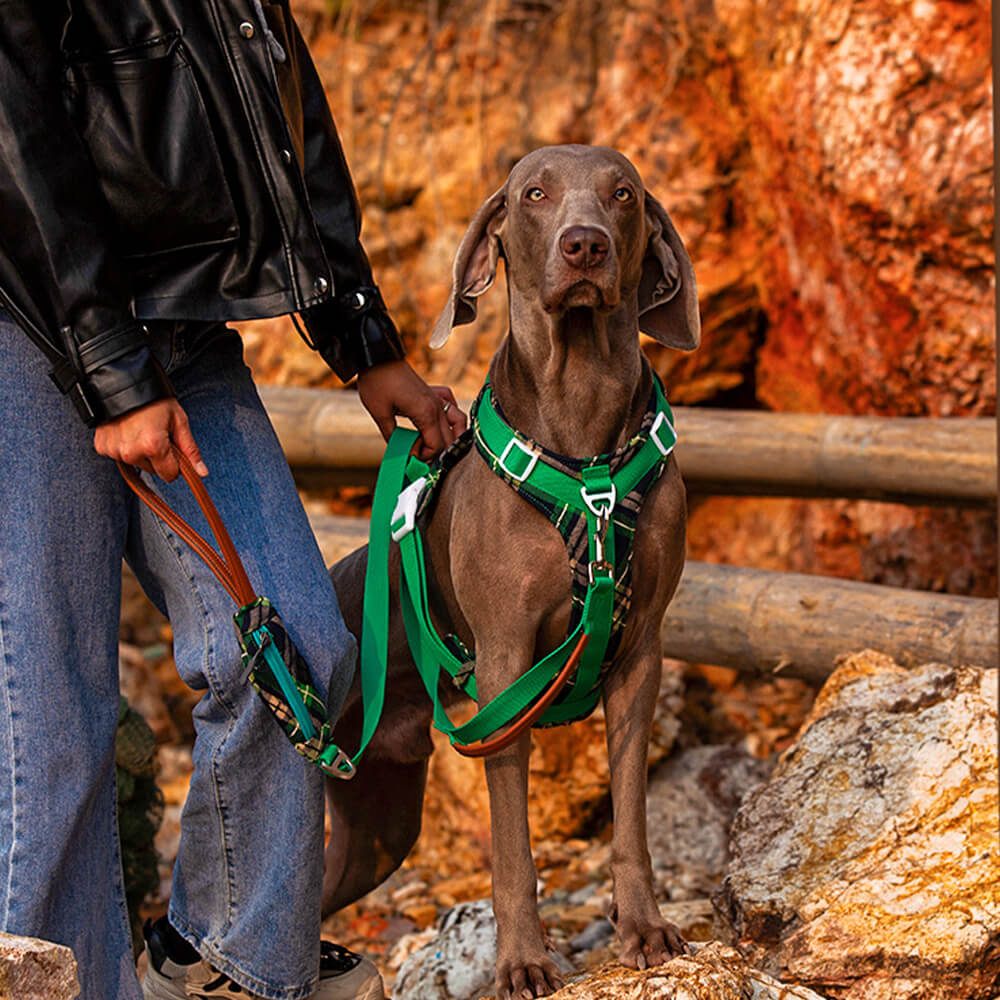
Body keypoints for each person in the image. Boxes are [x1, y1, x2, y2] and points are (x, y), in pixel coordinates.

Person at [0, 3, 464, 999]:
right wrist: (113, 374)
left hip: (181, 322)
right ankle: (55, 985)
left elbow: (281, 110)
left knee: (291, 643)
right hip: (25, 322)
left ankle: (223, 960)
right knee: (49, 717)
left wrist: (363, 342)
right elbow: (13, 131)